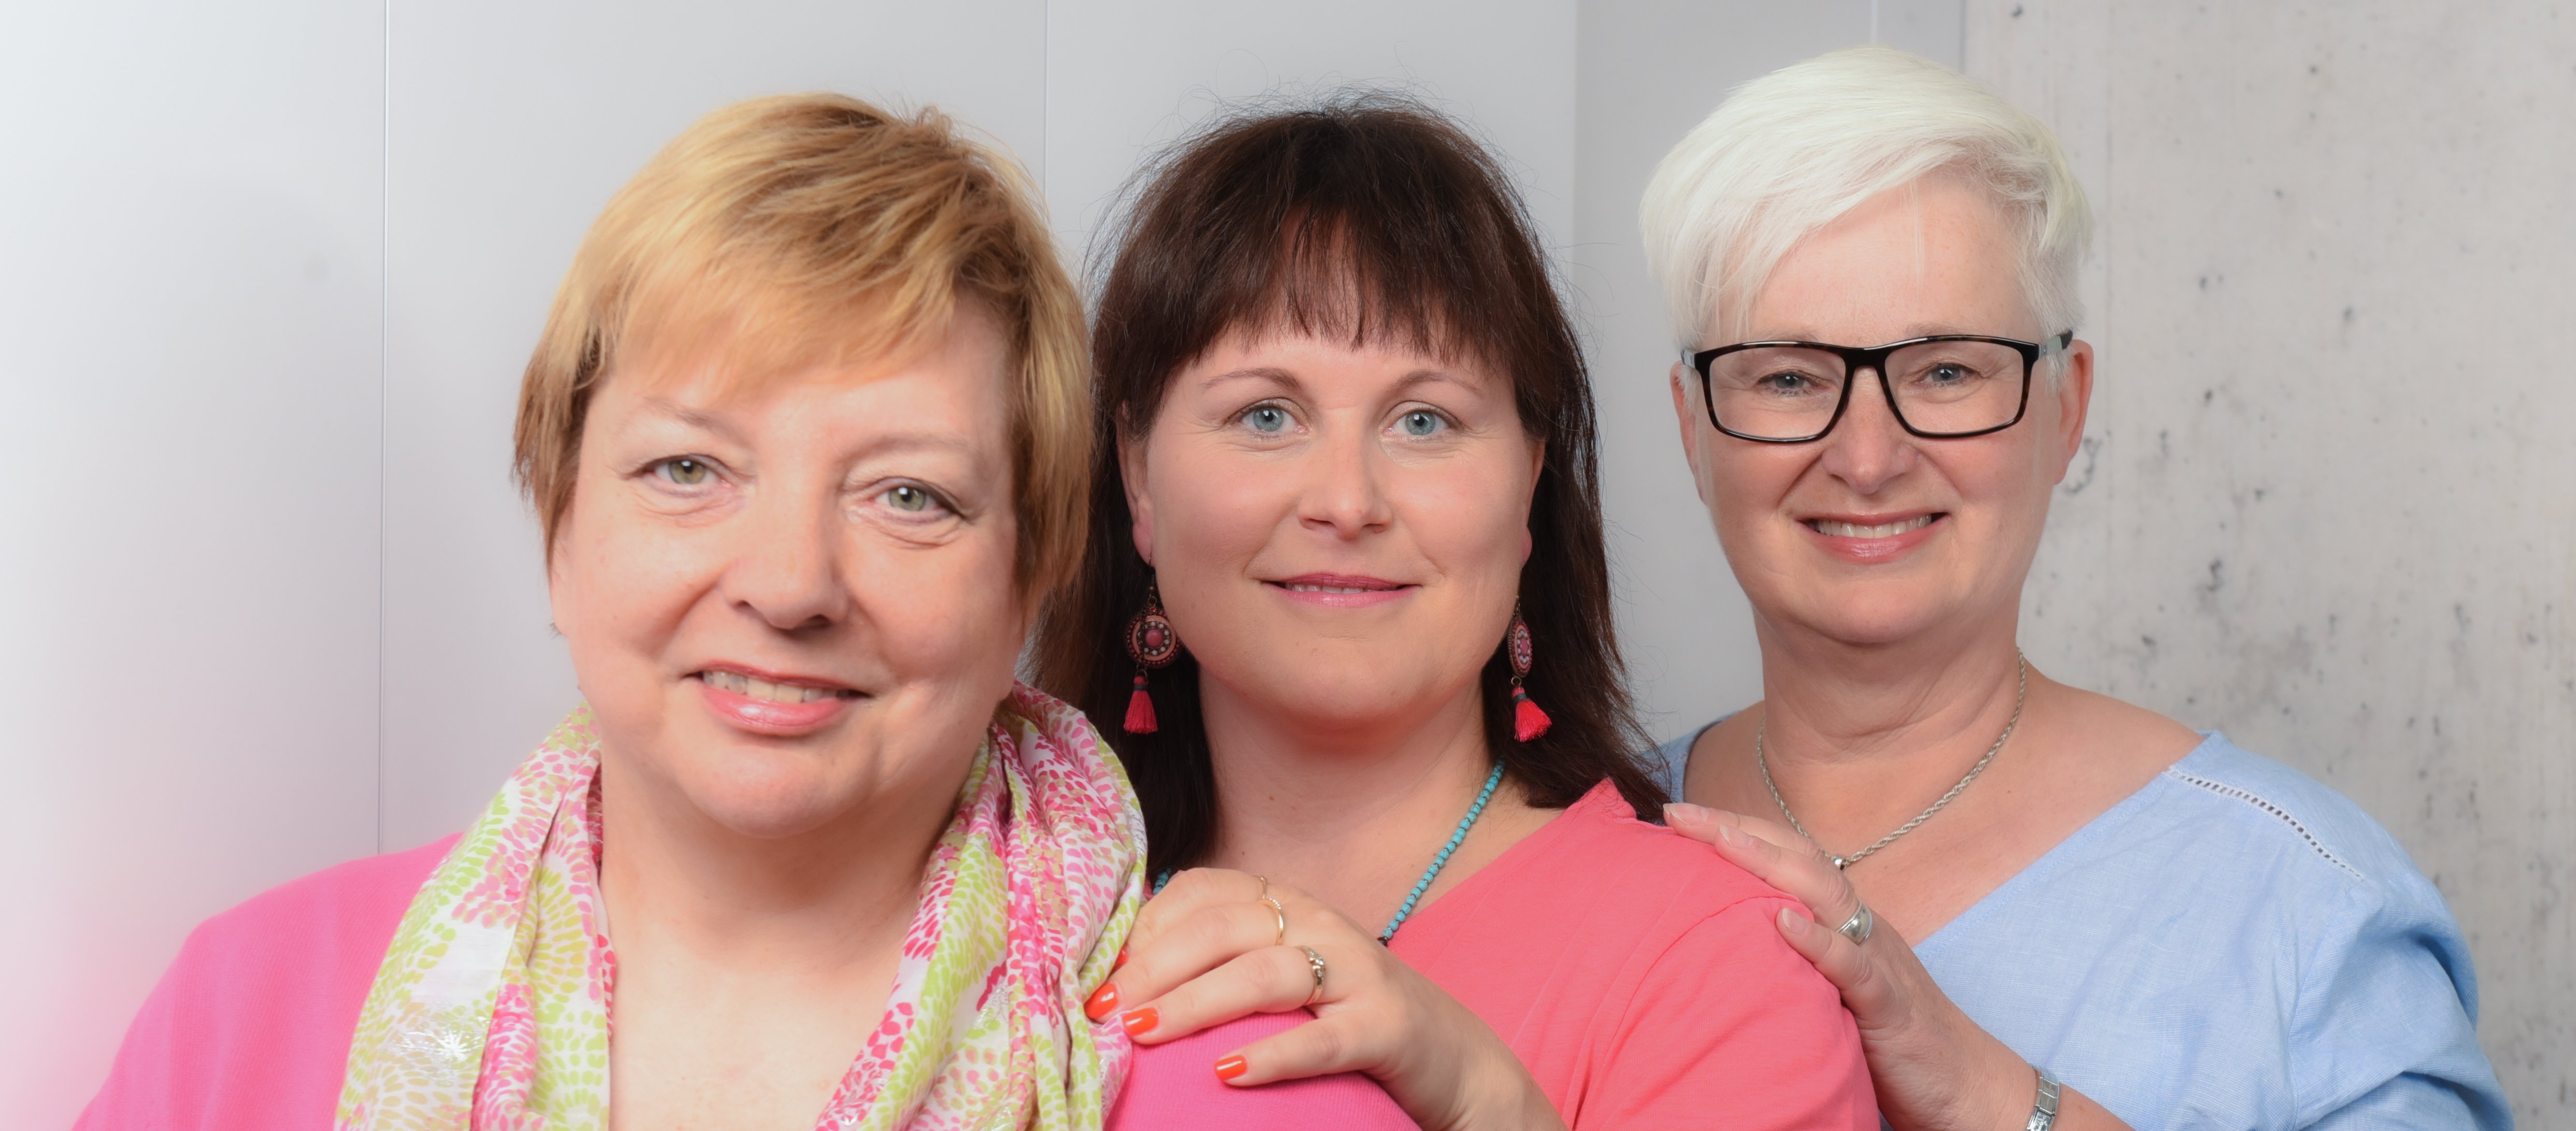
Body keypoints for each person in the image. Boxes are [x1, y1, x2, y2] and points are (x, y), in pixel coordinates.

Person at [77, 94, 1407, 1130]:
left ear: (1032, 569)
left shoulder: (1255, 1082)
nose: (787, 583)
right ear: (559, 527)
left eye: (906, 494)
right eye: (687, 469)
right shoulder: (247, 1008)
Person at [1635, 47, 2510, 1130]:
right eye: (1785, 376)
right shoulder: (1572, 834)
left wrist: (1988, 1091)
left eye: (1946, 371)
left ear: (2066, 406)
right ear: (1692, 425)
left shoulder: (2305, 907)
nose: (1865, 457)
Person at [1035, 95, 1876, 1131]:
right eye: (1266, 413)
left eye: (1424, 420)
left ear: (1528, 486)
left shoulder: (1715, 956)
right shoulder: (1007, 905)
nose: (1347, 500)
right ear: (1137, 475)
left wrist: (1490, 1099)